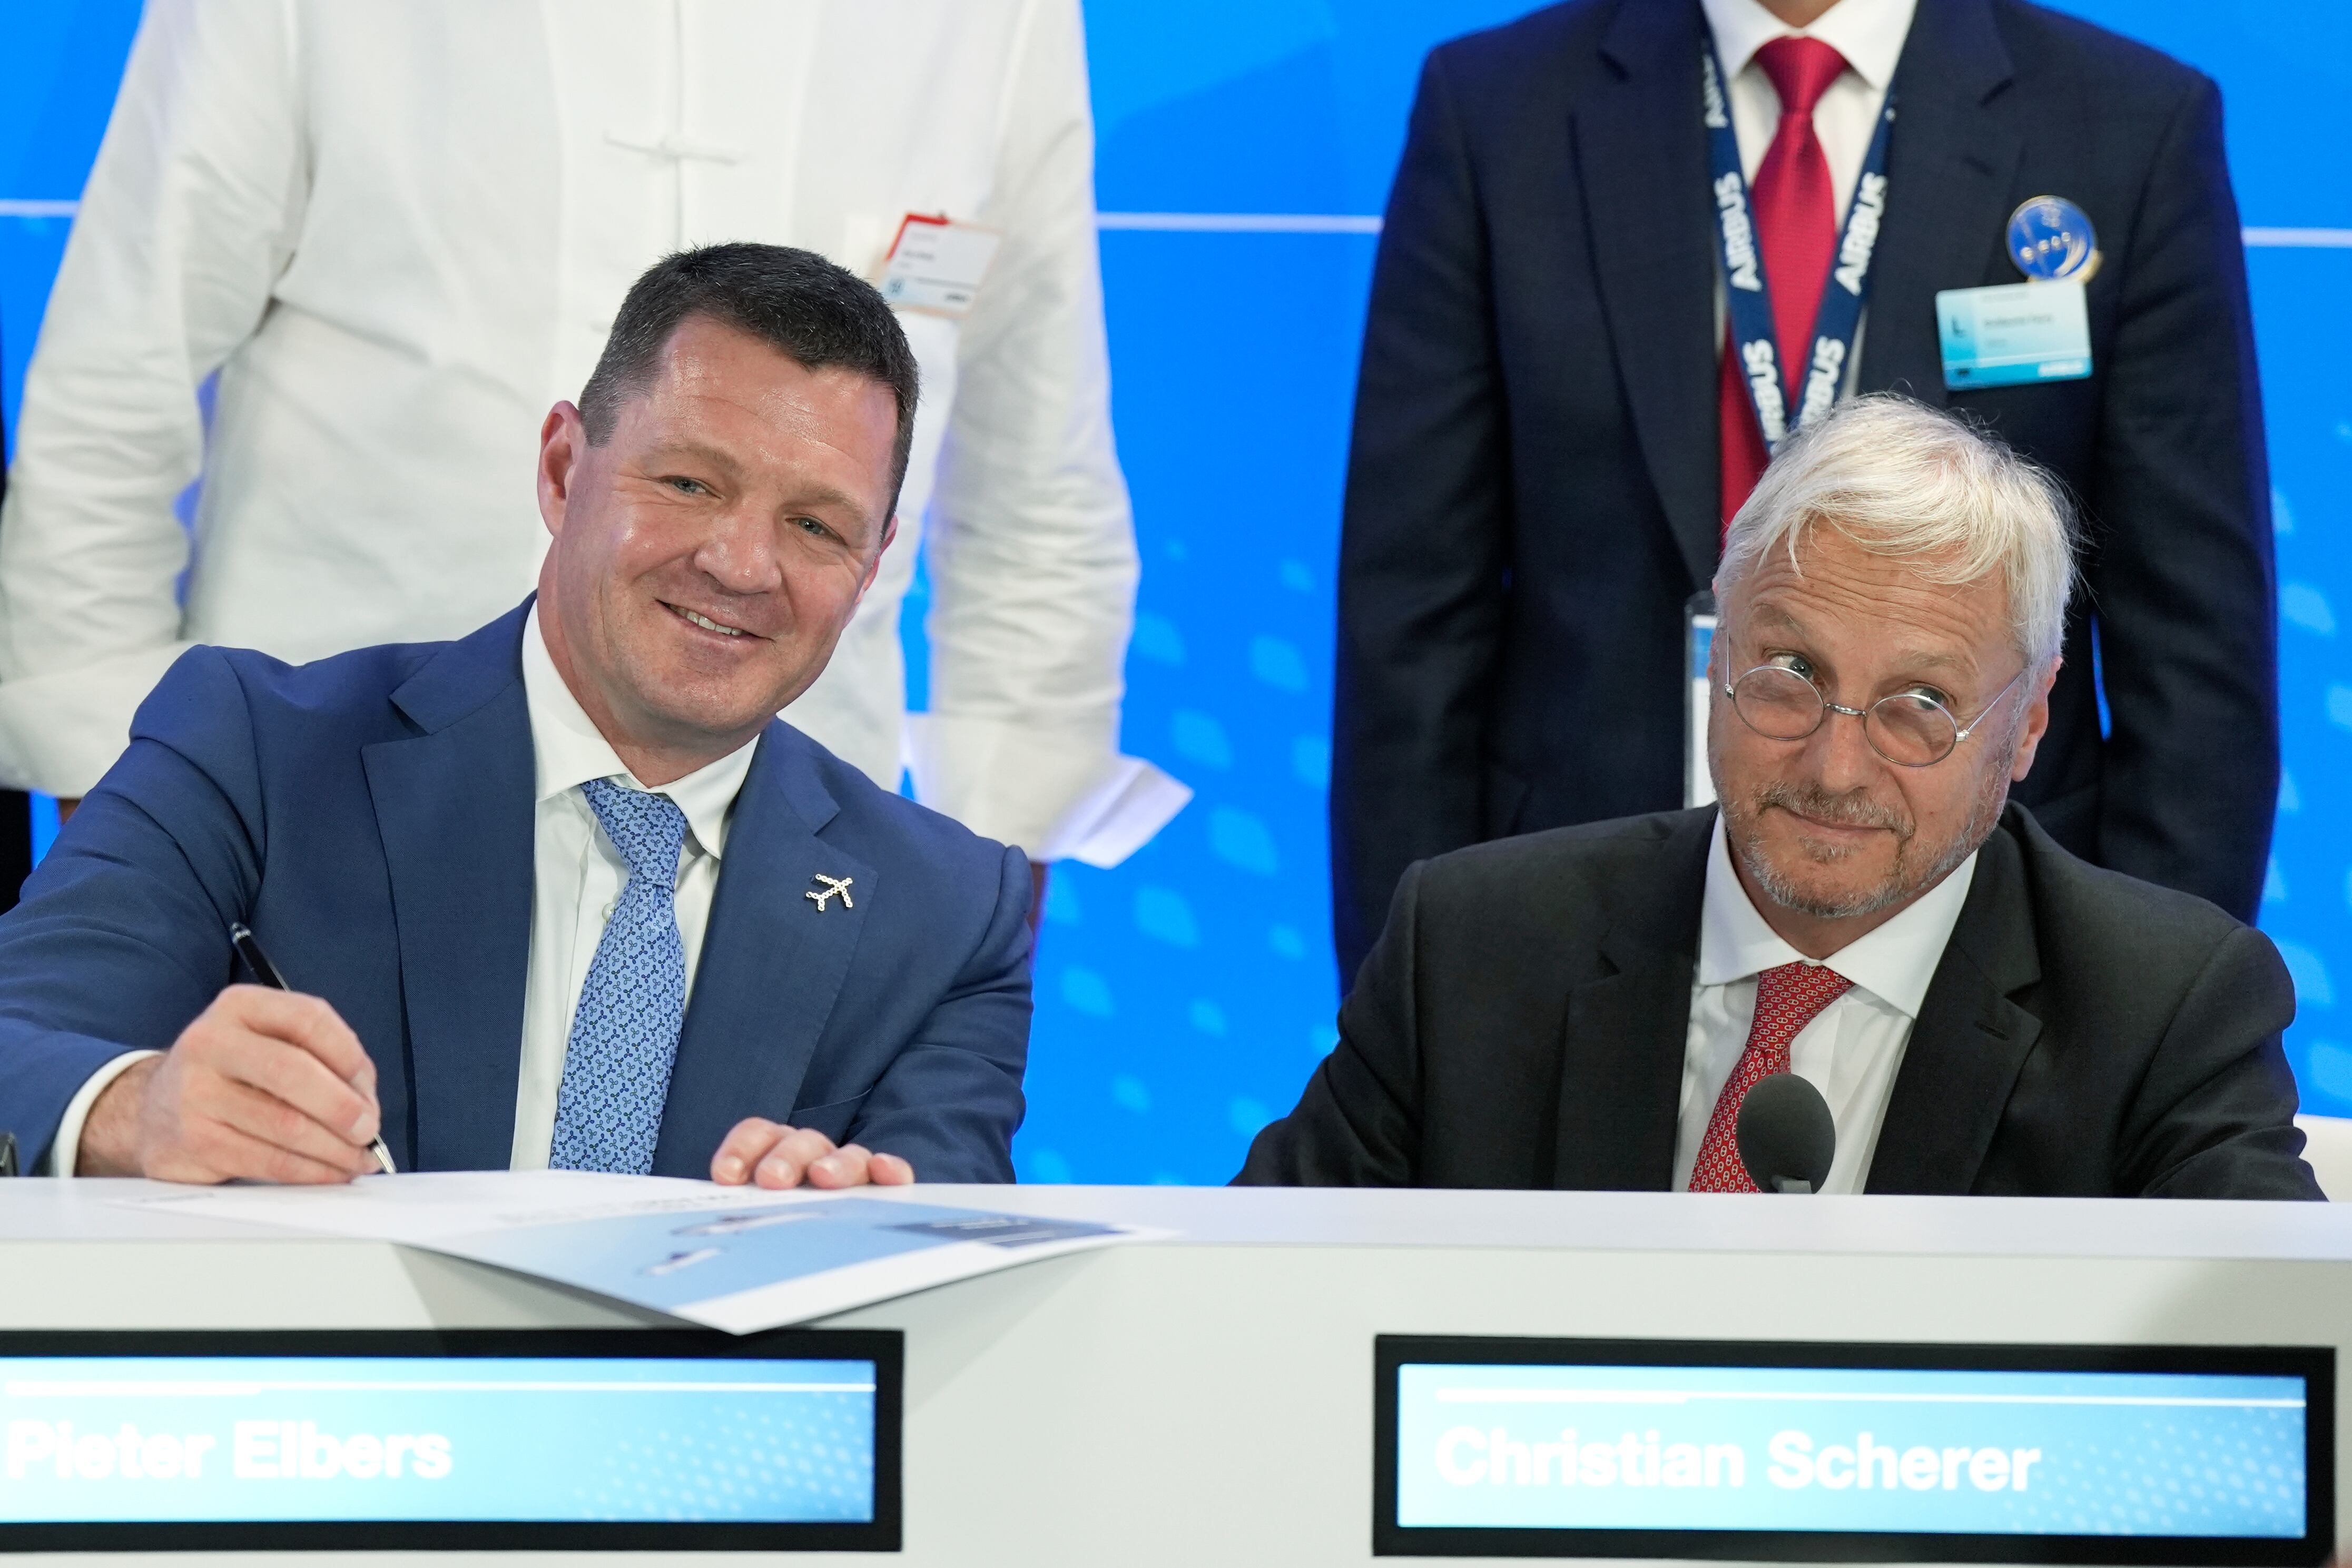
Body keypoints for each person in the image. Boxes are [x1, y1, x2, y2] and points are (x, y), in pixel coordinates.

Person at [0, 0, 1159, 894]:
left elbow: (1030, 482)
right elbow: (116, 386)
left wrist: (971, 915)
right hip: (315, 823)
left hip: (785, 866)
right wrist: (124, 823)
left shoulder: (984, 24)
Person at [0, 244, 1031, 1188]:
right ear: (561, 469)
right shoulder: (252, 755)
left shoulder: (948, 911)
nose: (741, 565)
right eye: (688, 482)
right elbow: (18, 1038)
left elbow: (953, 1247)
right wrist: (134, 1109)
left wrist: (867, 1223)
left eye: (814, 525)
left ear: (875, 562)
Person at [1330, 0, 2277, 982]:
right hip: (1570, 924)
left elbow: (2194, 646)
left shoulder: (2126, 122)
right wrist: (1409, 1007)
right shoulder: (1497, 106)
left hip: (1990, 949)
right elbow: (1410, 616)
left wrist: (2148, 1027)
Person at [1244, 396, 2318, 1200]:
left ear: (2029, 720)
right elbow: (1249, 1307)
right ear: (1716, 662)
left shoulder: (2166, 1014)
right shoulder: (1474, 948)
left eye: (1918, 705)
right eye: (1790, 676)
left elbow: (2272, 1400)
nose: (1835, 769)